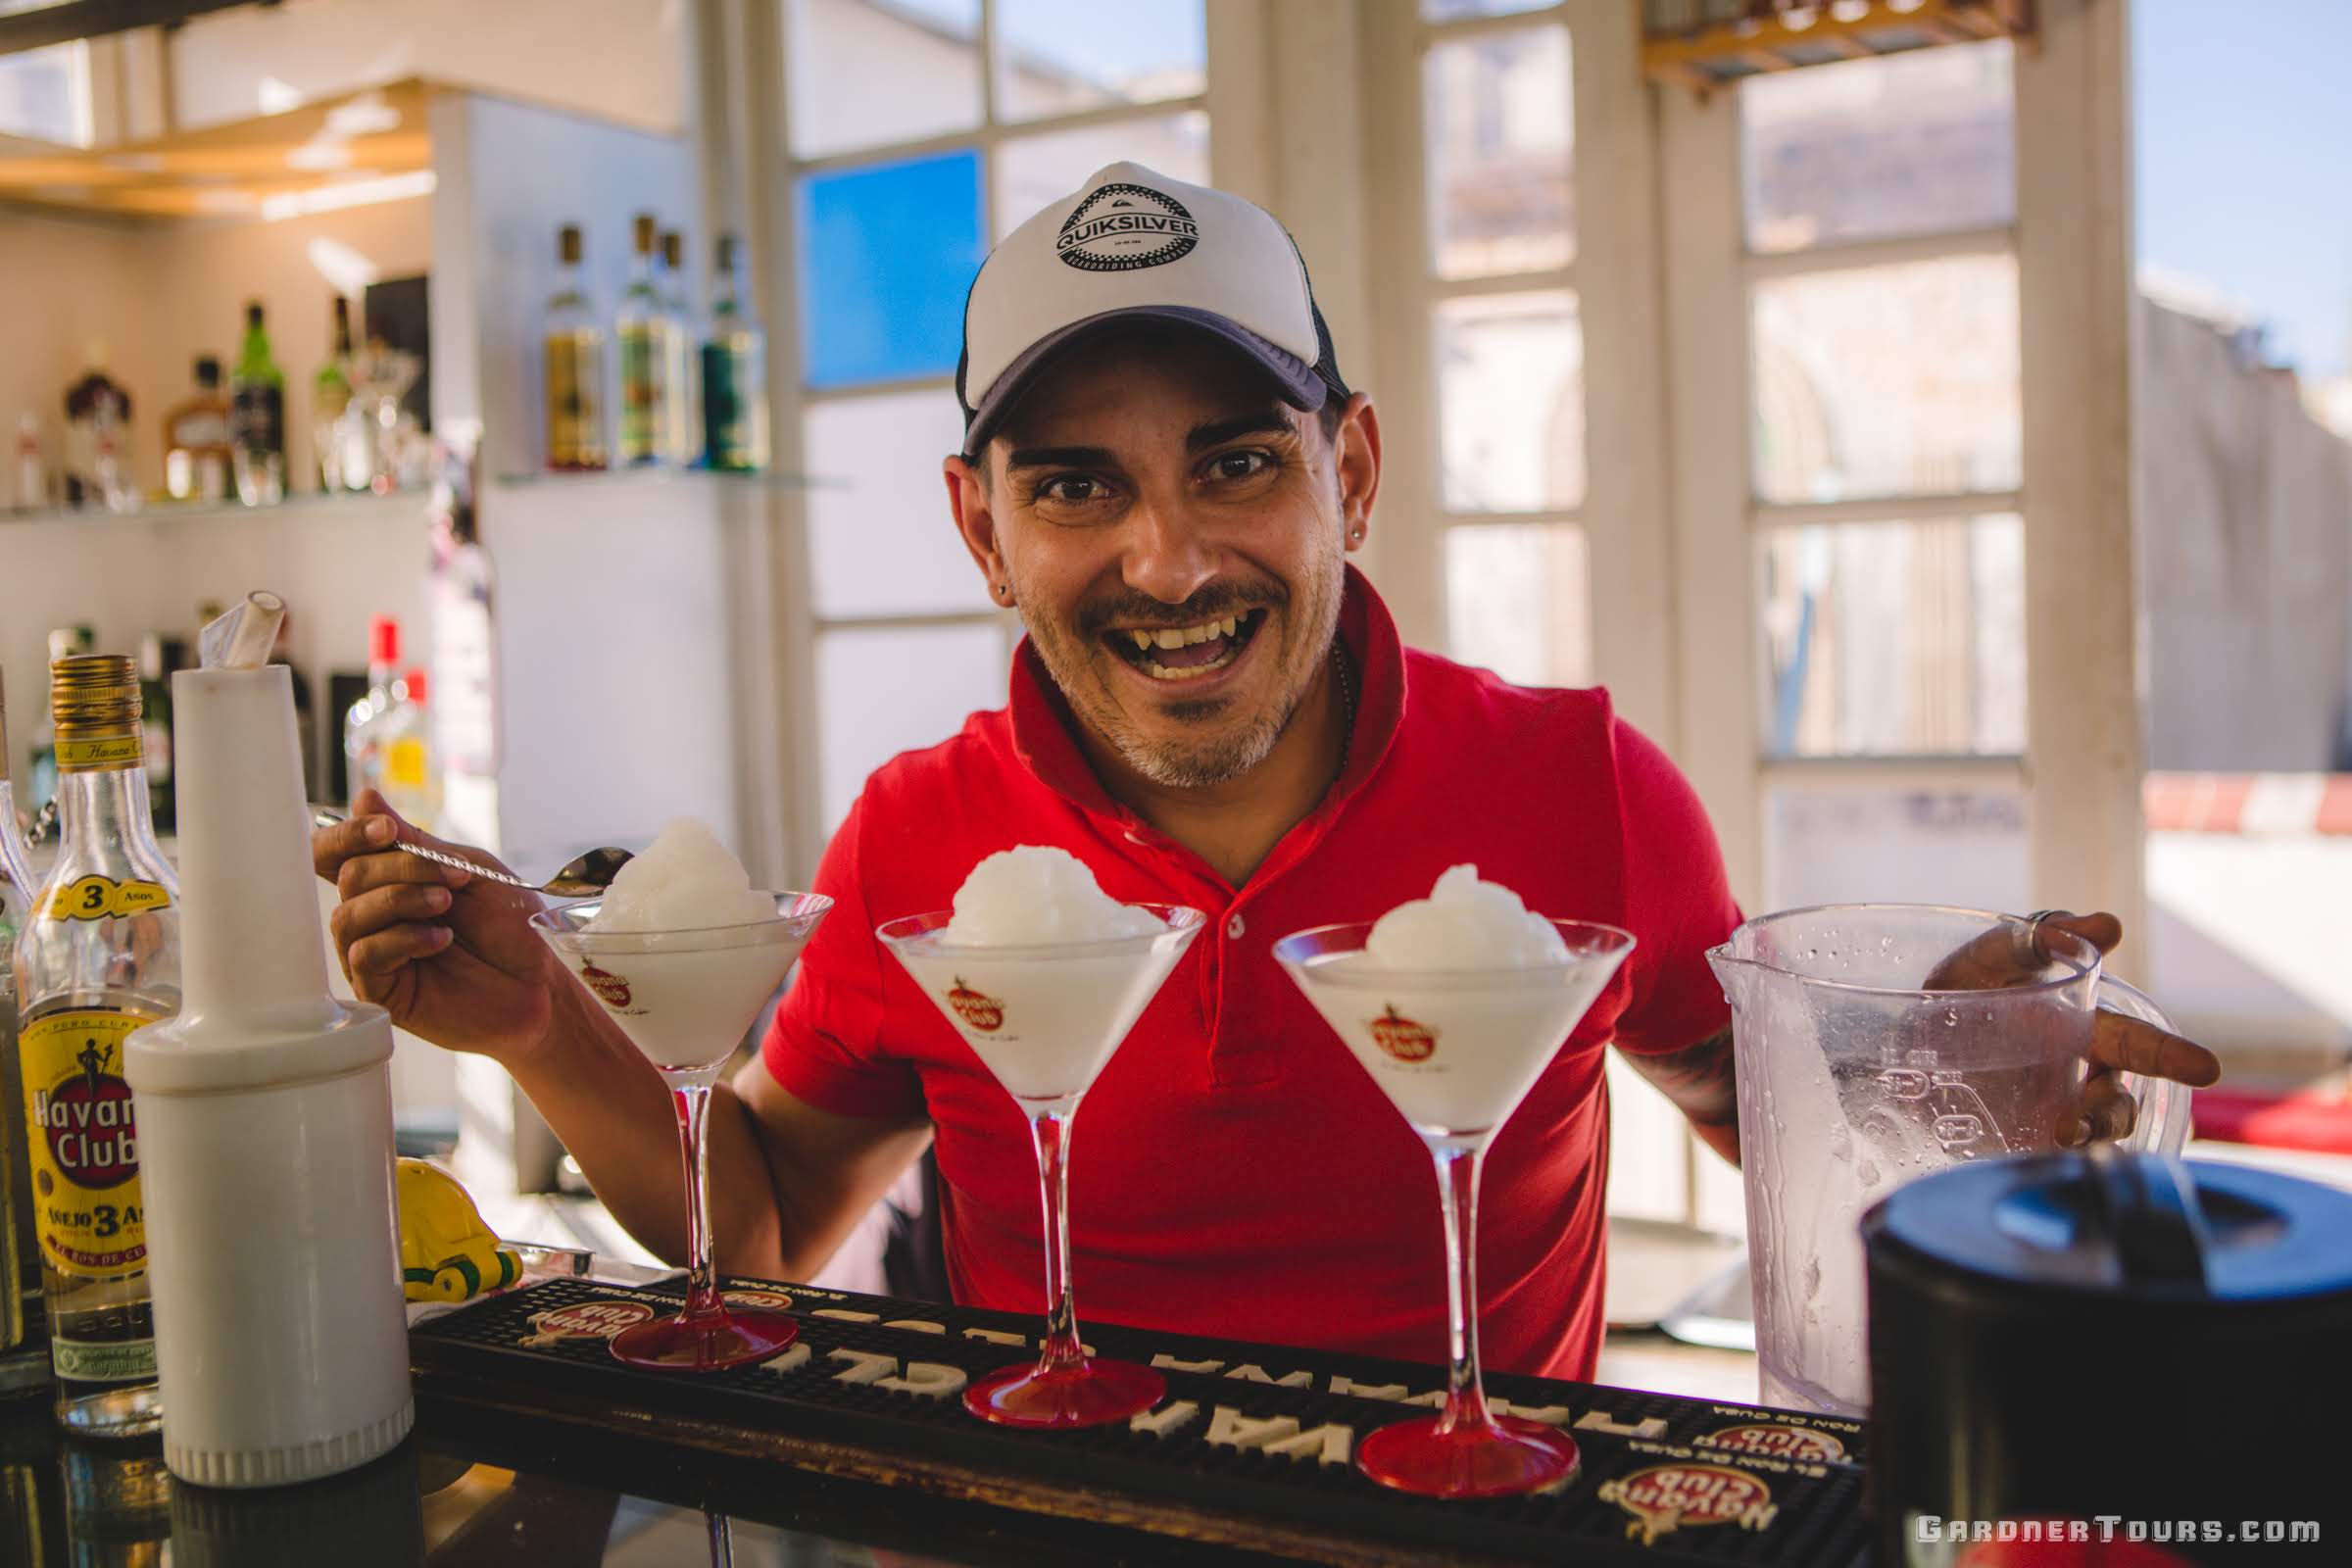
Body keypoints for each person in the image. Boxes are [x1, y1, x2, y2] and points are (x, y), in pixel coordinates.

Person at [314, 165, 2220, 1380]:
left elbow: (1772, 1104)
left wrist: (1947, 1077)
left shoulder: (1582, 786)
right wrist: (542, 1021)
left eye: (1237, 461)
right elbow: (768, 1218)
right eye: (1076, 485)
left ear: (1352, 475)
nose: (1167, 559)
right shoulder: (919, 831)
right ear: (982, 528)